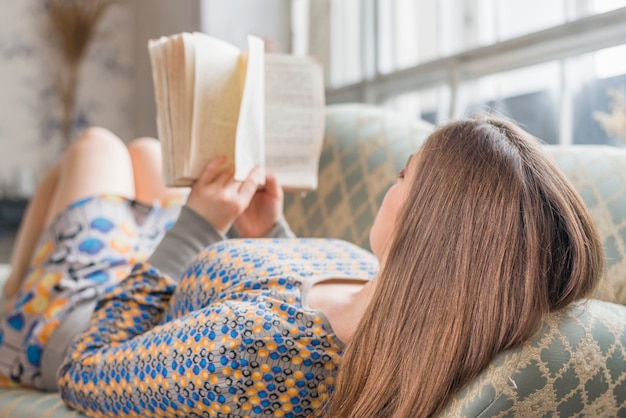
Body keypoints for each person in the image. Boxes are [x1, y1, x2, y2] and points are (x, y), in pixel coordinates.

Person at [2, 114, 603, 418]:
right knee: (148, 155)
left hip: (87, 322)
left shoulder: (253, 353)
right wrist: (269, 233)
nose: (391, 188)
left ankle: (12, 314)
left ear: (425, 233)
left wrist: (197, 227)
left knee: (97, 146)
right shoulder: (387, 300)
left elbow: (87, 371)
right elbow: (288, 289)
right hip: (164, 278)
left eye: (403, 177)